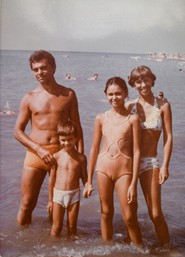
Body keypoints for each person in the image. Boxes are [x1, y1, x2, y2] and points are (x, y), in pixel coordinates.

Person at [14, 50, 84, 226]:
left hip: (63, 157)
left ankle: (54, 248)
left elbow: (77, 128)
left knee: (57, 207)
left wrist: (80, 160)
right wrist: (38, 149)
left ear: (53, 68)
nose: (40, 73)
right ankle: (21, 245)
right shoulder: (29, 98)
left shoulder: (68, 95)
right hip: (35, 155)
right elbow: (17, 131)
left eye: (44, 68)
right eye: (36, 69)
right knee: (26, 204)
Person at [87, 77, 143, 247]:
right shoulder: (100, 118)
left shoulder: (133, 119)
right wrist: (89, 181)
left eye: (118, 93)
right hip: (103, 169)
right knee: (106, 212)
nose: (114, 97)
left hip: (124, 171)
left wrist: (133, 183)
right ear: (106, 95)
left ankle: (140, 252)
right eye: (110, 94)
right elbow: (94, 149)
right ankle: (107, 250)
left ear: (125, 94)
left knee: (129, 216)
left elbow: (137, 151)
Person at [127, 65, 173, 246]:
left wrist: (165, 166)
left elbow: (168, 138)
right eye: (138, 81)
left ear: (152, 80)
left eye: (146, 80)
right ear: (133, 84)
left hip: (149, 162)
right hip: (128, 162)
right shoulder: (128, 105)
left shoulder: (163, 105)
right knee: (129, 213)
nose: (143, 84)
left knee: (155, 213)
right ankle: (134, 251)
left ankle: (168, 249)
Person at [47, 121, 93, 238]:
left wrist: (87, 186)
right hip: (58, 195)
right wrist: (50, 200)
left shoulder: (81, 158)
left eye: (70, 139)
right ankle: (53, 250)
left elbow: (84, 177)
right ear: (59, 138)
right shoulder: (55, 157)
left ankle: (70, 253)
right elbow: (51, 180)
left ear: (76, 138)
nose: (66, 143)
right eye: (63, 140)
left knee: (72, 227)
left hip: (74, 195)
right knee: (56, 226)